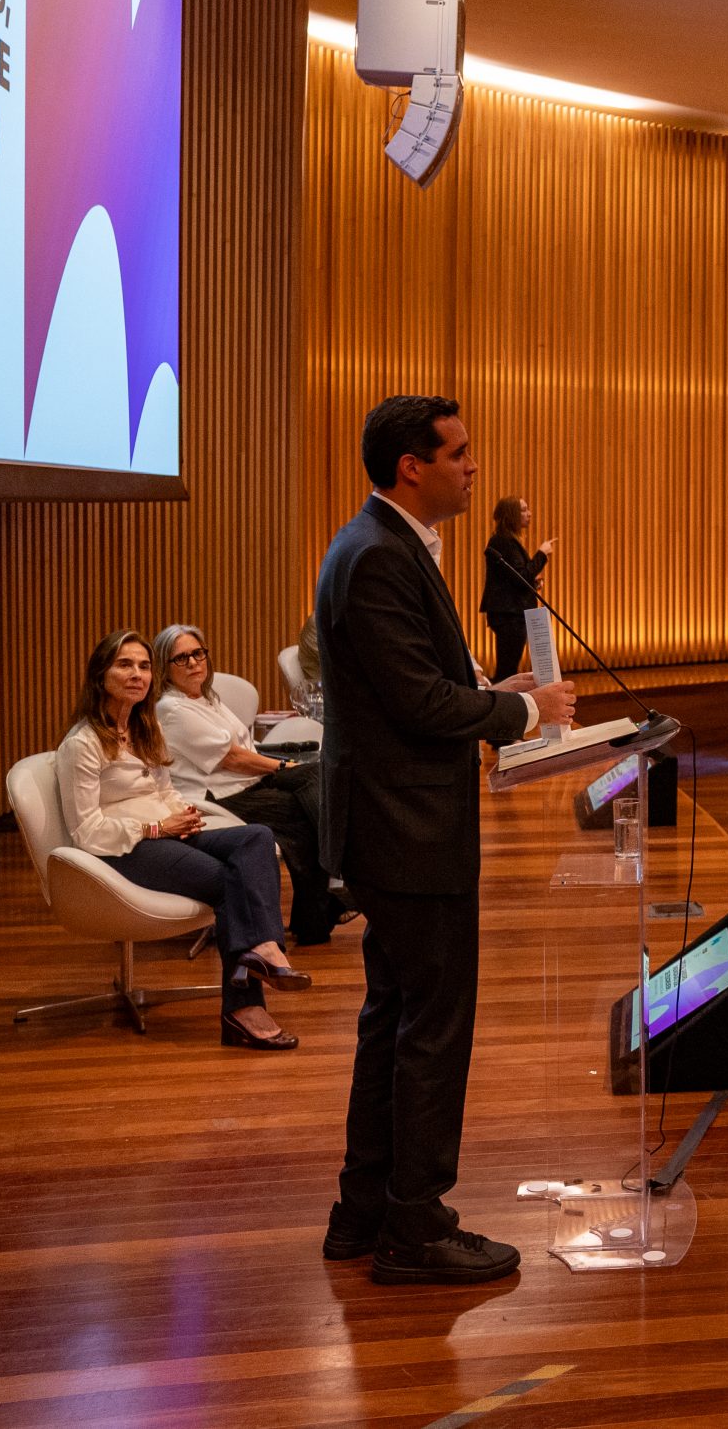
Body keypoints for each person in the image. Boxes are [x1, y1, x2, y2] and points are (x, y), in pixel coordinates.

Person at [317, 394, 576, 1285]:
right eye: (459, 453)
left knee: (394, 1017)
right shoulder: (377, 555)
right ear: (411, 467)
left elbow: (417, 684)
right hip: (406, 829)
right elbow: (419, 704)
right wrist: (524, 712)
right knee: (432, 1028)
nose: (473, 467)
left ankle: (365, 1208)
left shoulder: (384, 544)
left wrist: (497, 693)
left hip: (396, 824)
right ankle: (416, 1225)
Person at [57, 629, 304, 1042]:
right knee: (230, 881)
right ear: (101, 676)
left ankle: (263, 949)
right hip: (127, 847)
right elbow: (86, 831)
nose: (137, 674)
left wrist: (181, 813)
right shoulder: (82, 744)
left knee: (257, 838)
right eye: (124, 665)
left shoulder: (145, 728)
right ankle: (244, 1008)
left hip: (168, 831)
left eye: (144, 666)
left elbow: (163, 790)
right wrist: (156, 828)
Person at [151, 623, 340, 946]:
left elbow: (245, 747)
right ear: (164, 668)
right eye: (181, 658)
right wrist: (284, 766)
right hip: (222, 794)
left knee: (317, 776)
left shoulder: (206, 697)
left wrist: (284, 766)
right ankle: (332, 894)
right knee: (306, 806)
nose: (193, 662)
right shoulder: (171, 708)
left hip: (246, 783)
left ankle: (323, 905)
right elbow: (232, 758)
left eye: (198, 653)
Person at [477, 495, 553, 681]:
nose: (530, 514)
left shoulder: (507, 541)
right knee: (507, 670)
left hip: (512, 612)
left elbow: (513, 578)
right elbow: (521, 577)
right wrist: (542, 554)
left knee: (509, 667)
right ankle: (502, 698)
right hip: (510, 614)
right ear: (512, 514)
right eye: (524, 510)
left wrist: (533, 584)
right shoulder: (503, 541)